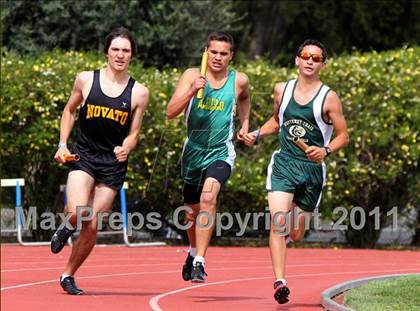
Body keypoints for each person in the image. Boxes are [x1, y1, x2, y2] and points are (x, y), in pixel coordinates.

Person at [244, 39, 349, 304]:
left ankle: (292, 228)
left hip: (312, 171)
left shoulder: (329, 97)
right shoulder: (282, 89)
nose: (310, 61)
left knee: (296, 233)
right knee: (278, 223)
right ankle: (280, 281)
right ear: (297, 60)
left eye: (316, 58)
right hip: (284, 164)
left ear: (323, 64)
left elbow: (343, 135)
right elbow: (277, 121)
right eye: (306, 56)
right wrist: (257, 133)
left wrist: (324, 150)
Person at [50, 27, 149, 295]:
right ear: (106, 51)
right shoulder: (86, 80)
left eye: (126, 50)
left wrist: (126, 147)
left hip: (112, 164)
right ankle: (67, 225)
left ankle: (68, 275)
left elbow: (135, 132)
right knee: (78, 211)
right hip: (84, 155)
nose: (120, 54)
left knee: (92, 224)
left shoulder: (139, 92)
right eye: (115, 49)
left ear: (132, 56)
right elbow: (69, 111)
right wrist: (62, 144)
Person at [167, 31, 251, 283]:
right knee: (192, 212)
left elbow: (245, 99)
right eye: (213, 52)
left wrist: (245, 123)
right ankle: (193, 253)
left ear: (231, 56)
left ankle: (201, 262)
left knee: (208, 197)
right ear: (206, 52)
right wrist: (192, 91)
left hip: (220, 152)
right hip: (193, 152)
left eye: (223, 53)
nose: (218, 57)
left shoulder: (239, 80)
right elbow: (171, 112)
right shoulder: (192, 75)